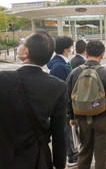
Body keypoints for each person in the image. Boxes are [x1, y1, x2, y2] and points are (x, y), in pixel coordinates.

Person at [0, 31, 67, 169]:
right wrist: (60, 164)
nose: (19, 45)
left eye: (22, 43)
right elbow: (59, 132)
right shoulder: (58, 86)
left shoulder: (3, 79)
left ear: (26, 52)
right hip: (38, 158)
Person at [67, 40, 106, 169]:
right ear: (102, 55)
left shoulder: (74, 73)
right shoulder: (105, 73)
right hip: (102, 117)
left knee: (84, 151)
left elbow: (68, 97)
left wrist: (71, 117)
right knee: (101, 153)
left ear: (86, 54)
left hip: (81, 118)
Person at [47, 36, 79, 166]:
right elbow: (62, 89)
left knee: (67, 130)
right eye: (71, 46)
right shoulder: (59, 66)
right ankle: (71, 156)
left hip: (65, 103)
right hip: (63, 104)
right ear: (66, 48)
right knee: (65, 130)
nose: (72, 49)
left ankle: (73, 154)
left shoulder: (61, 62)